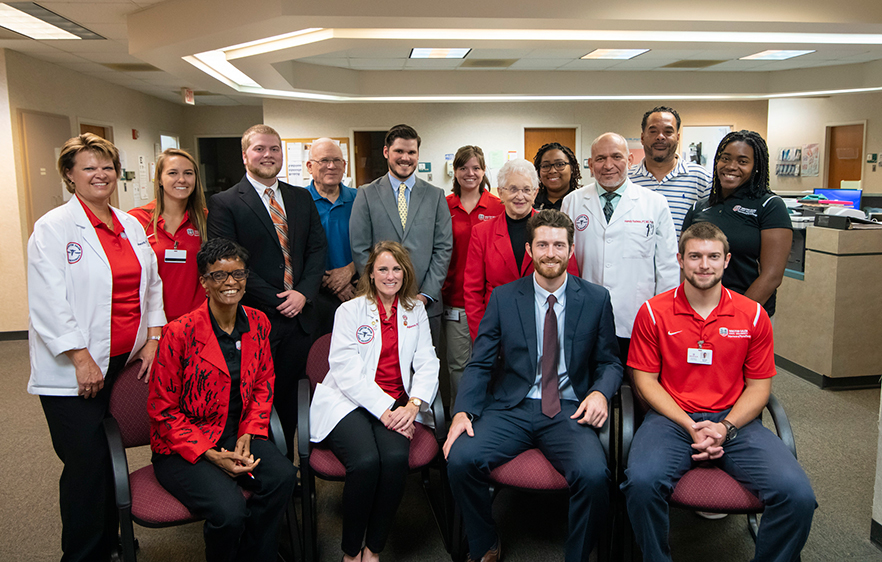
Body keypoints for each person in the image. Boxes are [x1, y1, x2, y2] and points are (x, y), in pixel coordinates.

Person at [621, 222, 816, 562]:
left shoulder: (753, 315)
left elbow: (759, 388)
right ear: (680, 259)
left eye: (713, 256)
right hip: (671, 420)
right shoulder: (653, 312)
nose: (704, 265)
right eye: (695, 256)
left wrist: (724, 428)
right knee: (641, 483)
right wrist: (689, 424)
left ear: (727, 261)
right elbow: (646, 381)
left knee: (796, 495)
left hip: (736, 422)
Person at [445, 210, 623, 562]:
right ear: (529, 250)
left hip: (569, 409)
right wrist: (462, 411)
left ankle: (578, 553)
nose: (551, 253)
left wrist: (601, 392)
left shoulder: (596, 298)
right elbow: (480, 361)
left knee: (593, 474)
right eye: (542, 244)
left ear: (571, 251)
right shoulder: (504, 297)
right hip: (512, 406)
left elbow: (610, 361)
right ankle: (484, 543)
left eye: (559, 245)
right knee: (460, 458)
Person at [27, 133, 165, 561]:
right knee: (86, 468)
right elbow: (48, 303)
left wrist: (153, 338)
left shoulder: (130, 223)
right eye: (88, 167)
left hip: (121, 361)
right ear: (70, 175)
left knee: (108, 458)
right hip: (75, 371)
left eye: (106, 166)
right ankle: (85, 553)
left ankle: (113, 540)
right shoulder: (53, 228)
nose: (100, 174)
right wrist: (81, 359)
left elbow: (152, 285)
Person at [149, 238, 297, 562]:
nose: (230, 282)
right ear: (204, 281)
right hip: (181, 447)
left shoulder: (258, 322)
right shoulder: (179, 333)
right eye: (219, 275)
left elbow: (263, 384)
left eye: (238, 274)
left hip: (235, 432)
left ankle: (256, 554)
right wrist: (212, 455)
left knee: (283, 477)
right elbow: (162, 409)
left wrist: (249, 433)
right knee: (229, 510)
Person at [309, 241, 439, 562]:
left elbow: (427, 361)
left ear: (405, 273)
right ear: (370, 272)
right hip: (348, 402)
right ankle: (351, 551)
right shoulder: (350, 310)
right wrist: (386, 411)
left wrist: (413, 406)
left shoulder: (415, 310)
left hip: (397, 404)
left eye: (396, 269)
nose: (390, 275)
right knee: (366, 461)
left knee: (394, 460)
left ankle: (373, 549)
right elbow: (345, 370)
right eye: (382, 268)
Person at [207, 124, 328, 455]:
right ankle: (259, 467)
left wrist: (302, 293)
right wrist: (280, 299)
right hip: (257, 320)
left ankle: (287, 468)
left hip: (301, 317)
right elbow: (229, 264)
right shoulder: (225, 203)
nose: (268, 155)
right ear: (245, 155)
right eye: (259, 149)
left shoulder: (300, 196)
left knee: (293, 397)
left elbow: (317, 250)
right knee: (254, 399)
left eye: (274, 149)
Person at [561, 132, 678, 363]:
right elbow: (564, 261)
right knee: (588, 381)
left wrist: (663, 318)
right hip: (585, 315)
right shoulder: (573, 202)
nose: (608, 165)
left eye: (616, 157)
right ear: (590, 164)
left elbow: (667, 267)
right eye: (600, 158)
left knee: (635, 384)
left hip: (636, 315)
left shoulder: (654, 203)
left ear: (630, 160)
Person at [349, 124, 453, 347]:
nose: (405, 158)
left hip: (425, 303)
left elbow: (443, 248)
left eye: (411, 152)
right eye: (399, 151)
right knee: (383, 370)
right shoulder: (367, 194)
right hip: (379, 304)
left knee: (425, 368)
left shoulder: (435, 196)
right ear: (387, 152)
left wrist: (426, 294)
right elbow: (360, 248)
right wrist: (383, 289)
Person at [464, 159, 579, 340]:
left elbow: (571, 281)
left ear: (535, 193)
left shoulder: (555, 229)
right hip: (498, 326)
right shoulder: (481, 233)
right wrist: (482, 337)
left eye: (526, 190)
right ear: (500, 193)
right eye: (513, 189)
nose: (520, 196)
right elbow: (473, 292)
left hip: (547, 324)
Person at [682, 130, 793, 318]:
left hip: (747, 313)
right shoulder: (699, 208)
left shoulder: (769, 206)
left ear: (756, 166)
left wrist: (733, 316)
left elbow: (772, 276)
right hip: (698, 311)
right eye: (725, 158)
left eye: (742, 161)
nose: (731, 166)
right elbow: (685, 265)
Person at [442, 145, 504, 399]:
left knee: (493, 363)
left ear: (484, 170)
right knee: (458, 365)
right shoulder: (443, 206)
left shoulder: (498, 206)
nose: (470, 173)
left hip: (490, 301)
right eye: (463, 168)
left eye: (476, 168)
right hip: (454, 299)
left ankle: (491, 417)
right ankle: (462, 413)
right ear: (454, 172)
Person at [130, 148, 208, 321]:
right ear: (159, 179)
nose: (181, 179)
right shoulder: (136, 219)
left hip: (196, 321)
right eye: (173, 173)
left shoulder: (205, 219)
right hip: (151, 323)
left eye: (188, 173)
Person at [628, 106, 712, 235]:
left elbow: (711, 230)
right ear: (642, 137)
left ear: (677, 137)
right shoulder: (627, 179)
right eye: (653, 131)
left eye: (668, 132)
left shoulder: (701, 178)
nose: (660, 137)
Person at [306, 138, 358, 338]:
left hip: (357, 290)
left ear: (344, 166)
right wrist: (330, 282)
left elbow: (375, 243)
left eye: (337, 160)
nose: (331, 166)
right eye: (324, 160)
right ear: (310, 166)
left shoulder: (360, 199)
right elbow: (294, 249)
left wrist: (349, 270)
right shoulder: (298, 202)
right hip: (315, 296)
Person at [532, 142, 581, 211]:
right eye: (545, 166)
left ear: (572, 168)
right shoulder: (531, 202)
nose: (552, 171)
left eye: (560, 164)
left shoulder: (581, 201)